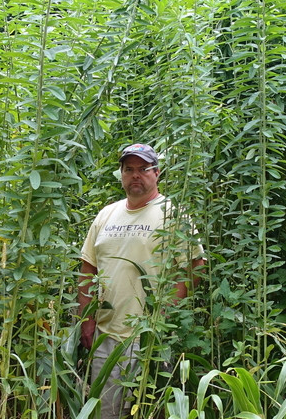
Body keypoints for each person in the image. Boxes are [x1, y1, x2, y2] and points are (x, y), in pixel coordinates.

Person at [77, 143, 204, 419]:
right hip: (106, 337)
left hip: (151, 338)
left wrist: (166, 313)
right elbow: (88, 269)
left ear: (156, 173)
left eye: (143, 169)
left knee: (150, 410)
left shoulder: (173, 213)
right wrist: (86, 320)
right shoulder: (106, 215)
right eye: (129, 169)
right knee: (105, 412)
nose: (136, 175)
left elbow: (195, 266)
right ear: (121, 174)